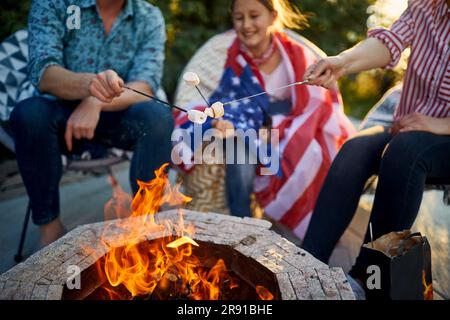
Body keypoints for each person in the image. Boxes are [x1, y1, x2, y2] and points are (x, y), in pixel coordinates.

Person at [174, 0, 354, 240]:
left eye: (254, 16)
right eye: (239, 18)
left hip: (287, 130)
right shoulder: (225, 55)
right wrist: (217, 120)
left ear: (272, 16)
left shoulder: (297, 55)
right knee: (240, 144)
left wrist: (278, 128)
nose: (246, 24)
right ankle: (242, 226)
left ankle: (308, 237)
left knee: (314, 150)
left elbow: (315, 103)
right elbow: (206, 101)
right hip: (241, 130)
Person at [302, 0, 450, 291]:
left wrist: (441, 125)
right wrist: (341, 62)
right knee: (355, 148)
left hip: (439, 134)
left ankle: (367, 280)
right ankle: (305, 264)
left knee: (404, 151)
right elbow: (388, 43)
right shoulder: (427, 5)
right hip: (410, 124)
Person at [10, 0, 174, 247]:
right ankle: (50, 229)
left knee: (158, 117)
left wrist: (96, 102)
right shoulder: (54, 3)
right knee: (28, 115)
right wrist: (90, 86)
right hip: (59, 111)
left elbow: (145, 85)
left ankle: (145, 226)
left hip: (119, 112)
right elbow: (43, 72)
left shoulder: (148, 16)